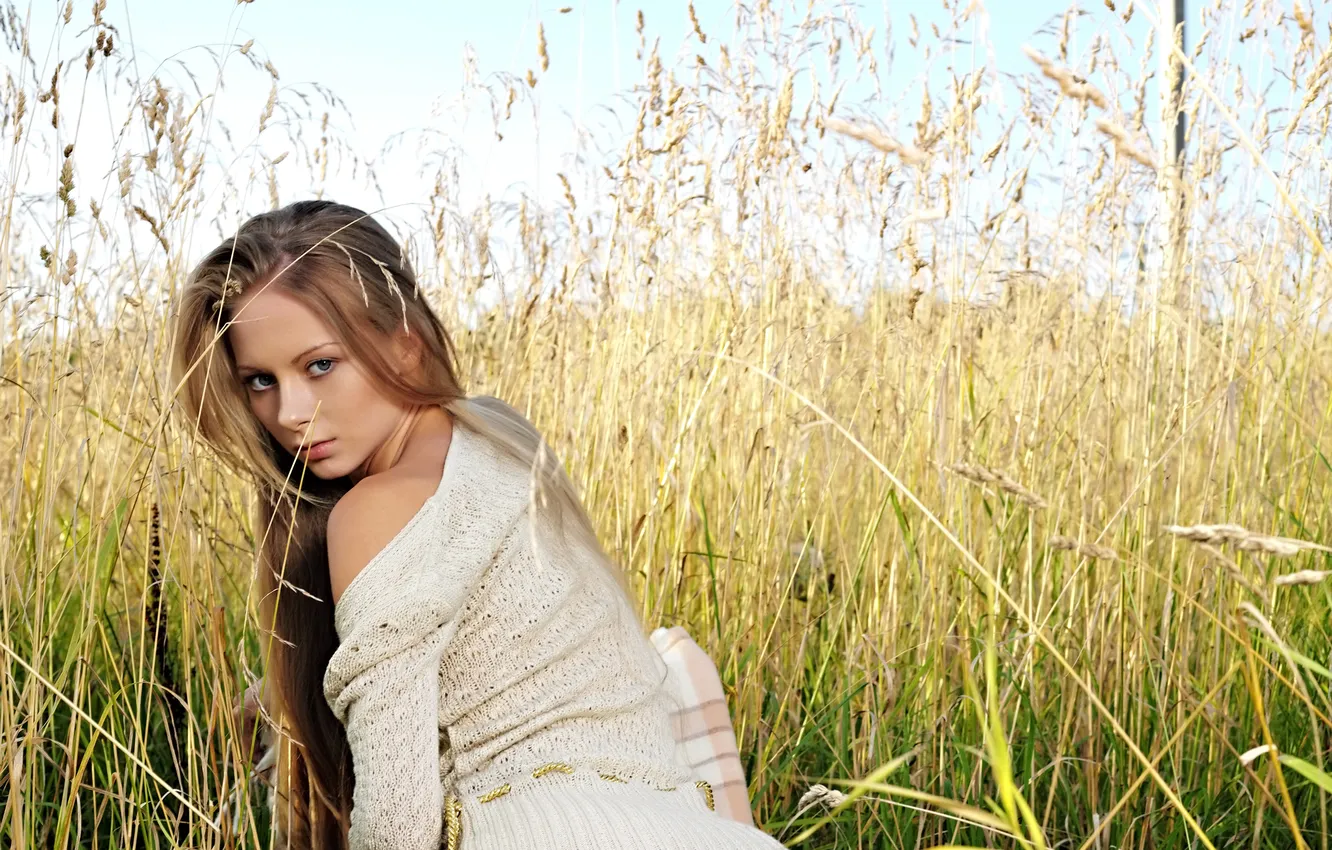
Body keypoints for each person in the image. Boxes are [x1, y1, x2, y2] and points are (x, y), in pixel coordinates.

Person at [171, 200, 786, 850]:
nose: (291, 411)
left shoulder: (373, 512)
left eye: (320, 365)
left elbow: (400, 827)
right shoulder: (504, 436)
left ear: (405, 348)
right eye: (260, 380)